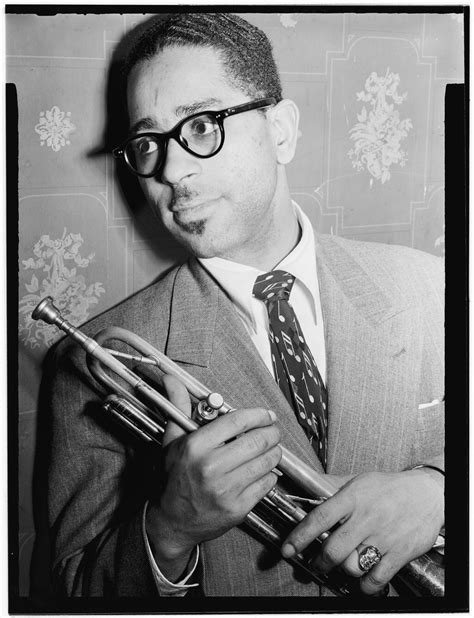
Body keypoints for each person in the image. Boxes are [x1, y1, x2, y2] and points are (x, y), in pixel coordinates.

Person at [44, 13, 444, 598]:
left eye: (202, 125)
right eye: (147, 143)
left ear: (281, 130)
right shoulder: (91, 363)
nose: (172, 171)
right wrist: (170, 529)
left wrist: (439, 491)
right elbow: (70, 593)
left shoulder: (433, 285)